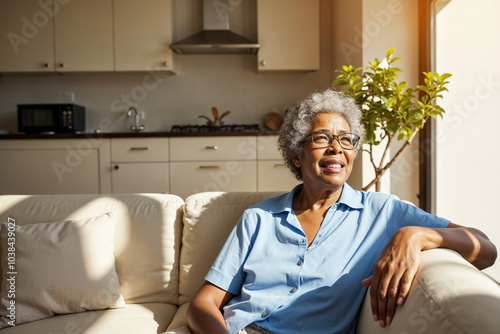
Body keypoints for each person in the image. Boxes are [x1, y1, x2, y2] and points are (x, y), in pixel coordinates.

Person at [186, 89, 497, 334]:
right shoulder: (258, 218)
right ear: (297, 154)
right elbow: (204, 303)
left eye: (346, 140)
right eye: (322, 138)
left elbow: (485, 249)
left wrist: (414, 235)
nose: (337, 148)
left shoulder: (382, 212)